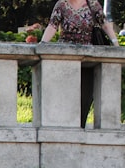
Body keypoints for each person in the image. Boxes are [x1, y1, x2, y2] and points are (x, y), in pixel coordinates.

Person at [39, 0, 119, 128]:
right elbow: (52, 26)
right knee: (64, 96)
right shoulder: (61, 5)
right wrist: (42, 45)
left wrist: (116, 44)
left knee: (85, 97)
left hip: (87, 59)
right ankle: (61, 126)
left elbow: (105, 24)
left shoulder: (93, 4)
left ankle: (80, 127)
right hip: (65, 58)